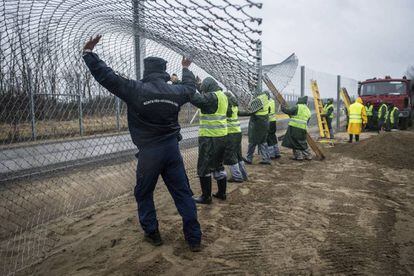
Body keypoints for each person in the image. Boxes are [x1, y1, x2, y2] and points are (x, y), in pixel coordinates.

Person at [82, 35, 202, 252]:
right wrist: (185, 68)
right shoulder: (175, 92)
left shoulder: (135, 89)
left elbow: (106, 76)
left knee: (144, 192)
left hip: (149, 154)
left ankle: (152, 232)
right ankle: (194, 239)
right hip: (171, 150)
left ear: (146, 72)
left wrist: (89, 55)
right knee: (183, 193)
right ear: (164, 72)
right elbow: (190, 88)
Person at [191, 77, 229, 204]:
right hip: (221, 137)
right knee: (218, 166)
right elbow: (205, 97)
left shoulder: (212, 97)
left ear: (208, 88)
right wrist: (197, 85)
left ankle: (206, 197)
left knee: (204, 167)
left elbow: (196, 98)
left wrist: (185, 85)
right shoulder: (222, 96)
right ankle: (222, 193)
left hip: (209, 138)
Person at [224, 92, 248, 182]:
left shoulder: (227, 107)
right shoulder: (234, 106)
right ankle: (243, 175)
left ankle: (237, 176)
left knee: (230, 154)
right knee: (238, 154)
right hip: (237, 132)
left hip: (230, 134)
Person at [242, 91, 271, 165]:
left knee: (252, 141)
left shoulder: (258, 100)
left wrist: (239, 112)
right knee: (263, 141)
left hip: (257, 124)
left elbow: (250, 111)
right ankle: (266, 158)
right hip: (264, 123)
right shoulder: (266, 100)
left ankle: (249, 158)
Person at [281, 96, 312, 161]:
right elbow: (307, 121)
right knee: (302, 142)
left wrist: (282, 107)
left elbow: (288, 111)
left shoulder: (297, 107)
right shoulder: (308, 110)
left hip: (294, 127)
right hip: (303, 129)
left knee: (294, 142)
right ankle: (308, 155)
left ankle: (300, 156)